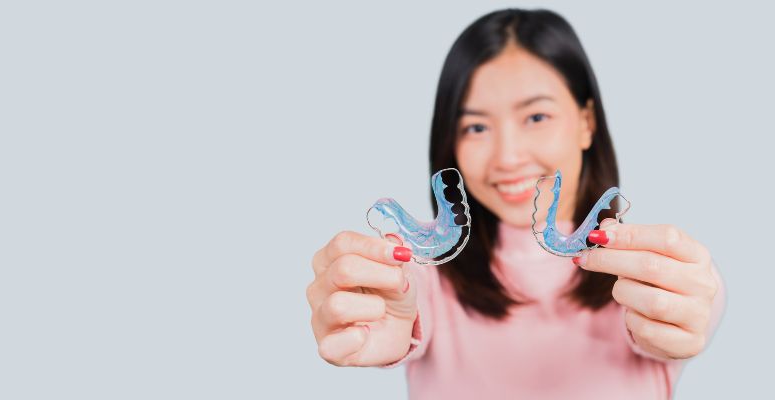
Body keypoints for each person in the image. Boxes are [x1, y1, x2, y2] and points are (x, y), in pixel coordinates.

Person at [306, 9, 724, 399]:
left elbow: (689, 315)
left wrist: (684, 314)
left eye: (536, 117)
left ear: (586, 122)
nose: (507, 156)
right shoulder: (422, 283)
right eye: (476, 126)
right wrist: (375, 315)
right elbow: (399, 310)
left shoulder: (652, 278)